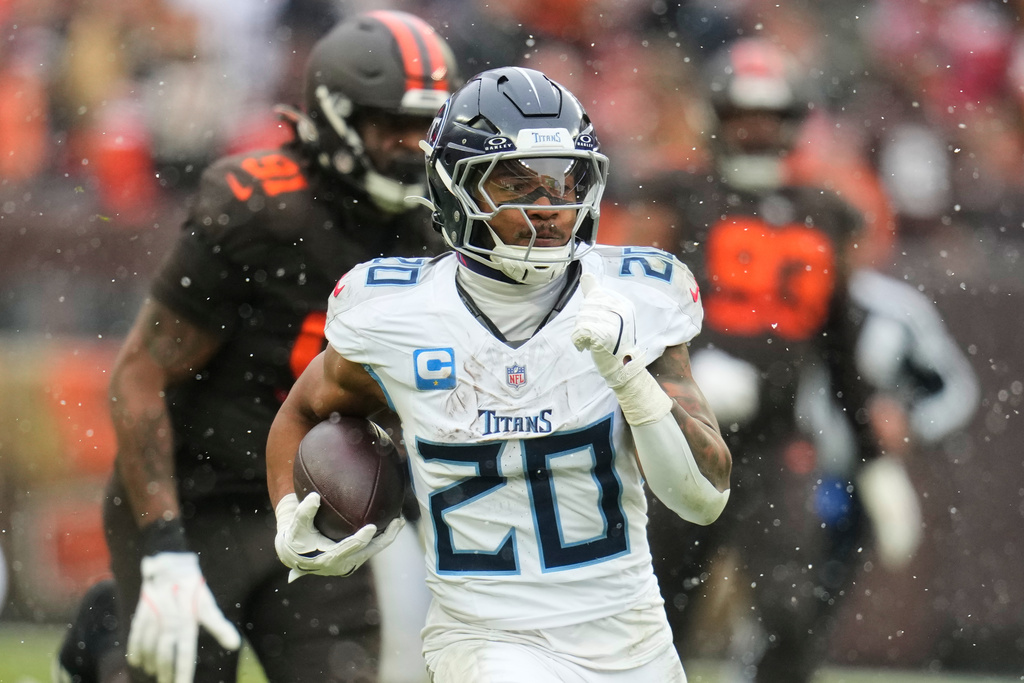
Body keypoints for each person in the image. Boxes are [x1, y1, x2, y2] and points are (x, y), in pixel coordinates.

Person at [265, 66, 733, 682]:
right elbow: (301, 411)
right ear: (451, 189)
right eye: (515, 183)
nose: (547, 208)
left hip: (633, 636)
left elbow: (702, 498)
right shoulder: (393, 313)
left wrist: (629, 374)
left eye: (563, 181)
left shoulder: (637, 295)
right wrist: (287, 515)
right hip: (485, 639)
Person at [54, 10, 459, 683]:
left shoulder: (431, 226)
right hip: (200, 495)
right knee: (174, 667)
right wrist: (162, 545)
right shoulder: (259, 206)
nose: (414, 147)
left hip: (315, 502)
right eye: (395, 124)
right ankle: (106, 646)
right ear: (335, 115)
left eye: (429, 127)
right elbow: (138, 375)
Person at [633, 38, 892, 682]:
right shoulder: (674, 198)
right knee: (657, 610)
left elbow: (839, 348)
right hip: (677, 439)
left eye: (771, 119)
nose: (756, 132)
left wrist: (873, 458)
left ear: (795, 123)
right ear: (717, 120)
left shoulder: (825, 214)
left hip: (775, 446)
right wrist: (685, 371)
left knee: (791, 608)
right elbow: (620, 312)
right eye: (744, 117)